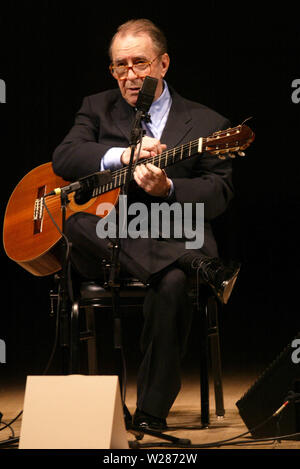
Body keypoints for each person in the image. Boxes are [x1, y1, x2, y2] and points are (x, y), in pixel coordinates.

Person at [52, 19, 240, 431]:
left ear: (164, 64)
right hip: (110, 240)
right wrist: (123, 155)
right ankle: (195, 264)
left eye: (140, 63)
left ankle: (151, 414)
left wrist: (169, 187)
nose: (131, 75)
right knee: (73, 219)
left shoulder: (209, 124)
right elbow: (64, 158)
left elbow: (218, 193)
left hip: (175, 228)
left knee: (172, 282)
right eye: (121, 66)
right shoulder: (96, 107)